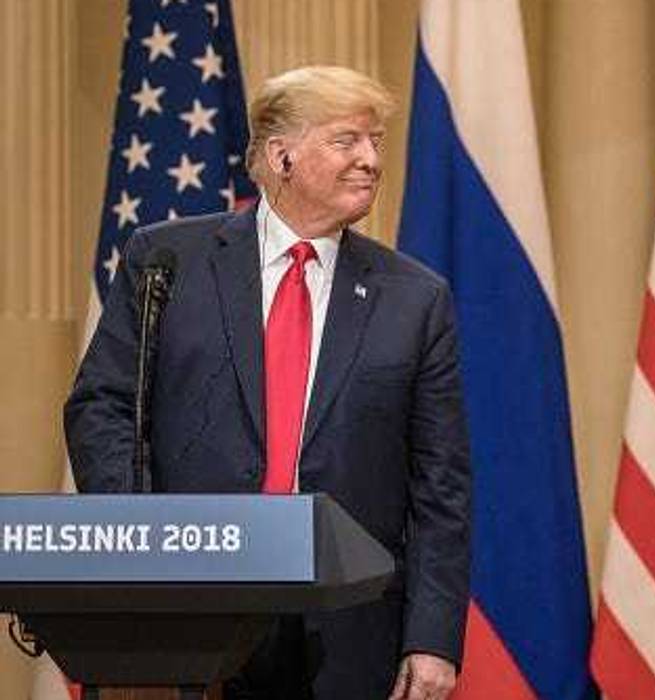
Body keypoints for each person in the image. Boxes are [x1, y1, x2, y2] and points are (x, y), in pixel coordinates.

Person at [64, 65, 470, 700]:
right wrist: (143, 545)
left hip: (350, 630)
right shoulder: (167, 262)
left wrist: (433, 638)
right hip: (188, 611)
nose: (370, 160)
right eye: (347, 141)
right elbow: (102, 408)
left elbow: (441, 486)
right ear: (281, 155)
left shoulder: (416, 299)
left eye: (376, 142)